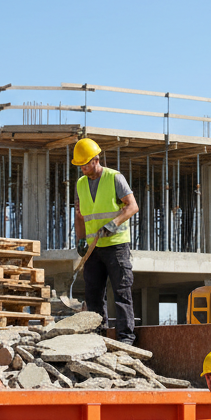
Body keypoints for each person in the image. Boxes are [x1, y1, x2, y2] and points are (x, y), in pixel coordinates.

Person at [72, 138, 138, 344]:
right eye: (80, 165)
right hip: (94, 249)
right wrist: (80, 240)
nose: (82, 168)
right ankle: (97, 335)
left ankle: (126, 337)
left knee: (121, 291)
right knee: (93, 295)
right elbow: (80, 216)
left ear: (96, 160)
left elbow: (132, 206)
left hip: (116, 245)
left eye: (85, 164)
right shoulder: (80, 184)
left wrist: (114, 223)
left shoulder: (114, 178)